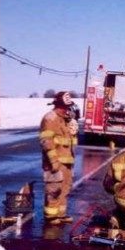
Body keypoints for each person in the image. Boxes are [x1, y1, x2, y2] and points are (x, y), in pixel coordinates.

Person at [39, 91, 78, 224]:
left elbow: (68, 141)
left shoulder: (65, 120)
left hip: (66, 162)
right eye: (65, 107)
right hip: (55, 162)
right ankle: (51, 216)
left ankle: (60, 214)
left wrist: (73, 132)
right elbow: (46, 141)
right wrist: (53, 161)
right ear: (59, 105)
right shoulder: (50, 118)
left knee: (65, 188)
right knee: (54, 190)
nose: (67, 110)